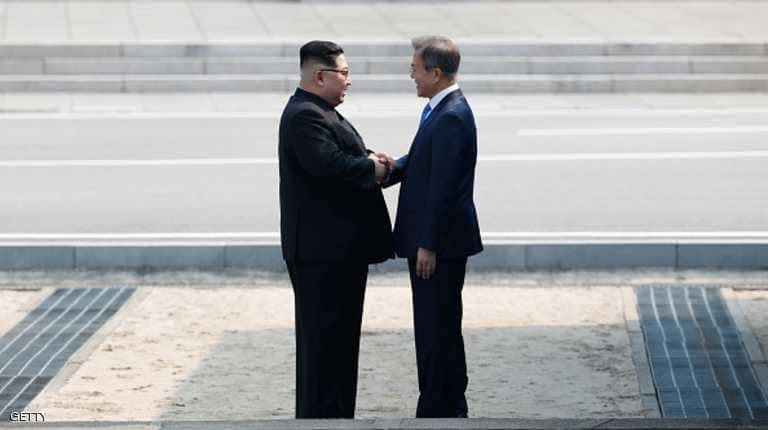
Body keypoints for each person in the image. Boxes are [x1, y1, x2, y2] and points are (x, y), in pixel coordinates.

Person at [278, 40, 393, 419]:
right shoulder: (304, 116)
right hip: (321, 255)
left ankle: (339, 418)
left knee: (340, 345)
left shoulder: (322, 112)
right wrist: (372, 168)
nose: (348, 80)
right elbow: (329, 167)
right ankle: (321, 421)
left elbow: (344, 157)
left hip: (338, 253)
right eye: (343, 73)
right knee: (324, 347)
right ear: (319, 76)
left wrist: (376, 162)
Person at [383, 35, 483, 418]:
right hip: (436, 242)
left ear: (436, 73)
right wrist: (390, 169)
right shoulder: (440, 110)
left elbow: (444, 188)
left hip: (438, 247)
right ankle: (443, 404)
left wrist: (428, 243)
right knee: (434, 325)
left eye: (416, 69)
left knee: (436, 327)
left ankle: (441, 408)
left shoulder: (452, 116)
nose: (412, 75)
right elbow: (423, 160)